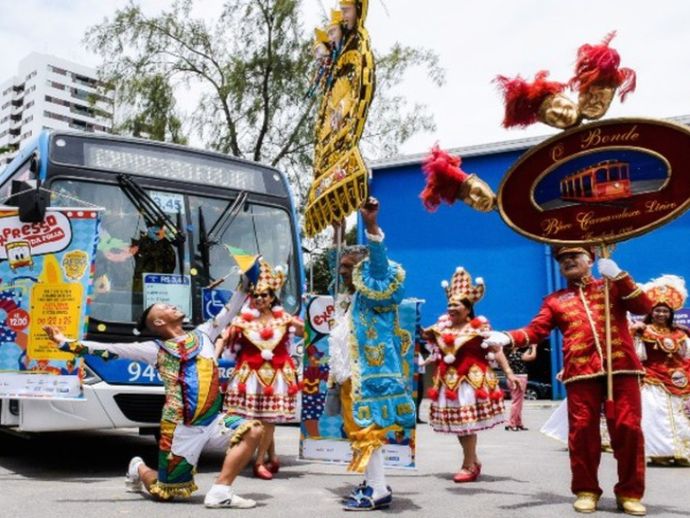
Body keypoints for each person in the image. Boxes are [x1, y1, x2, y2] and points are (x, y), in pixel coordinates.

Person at [43, 282, 261, 509]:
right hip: (180, 428)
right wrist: (66, 343)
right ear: (159, 322)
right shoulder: (155, 349)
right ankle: (138, 467)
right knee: (164, 493)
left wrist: (246, 282)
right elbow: (112, 349)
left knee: (253, 429)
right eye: (166, 306)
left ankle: (220, 491)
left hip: (213, 420)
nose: (173, 305)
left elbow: (230, 308)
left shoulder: (206, 333)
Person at [485, 246, 652, 516]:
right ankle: (586, 490)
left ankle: (630, 492)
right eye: (562, 259)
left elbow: (644, 307)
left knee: (629, 430)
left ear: (591, 260)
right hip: (581, 372)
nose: (568, 261)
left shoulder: (611, 286)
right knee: (582, 432)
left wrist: (619, 275)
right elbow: (536, 330)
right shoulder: (555, 300)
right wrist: (508, 337)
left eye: (574, 256)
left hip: (622, 370)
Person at [327, 197, 416, 511]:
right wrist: (338, 230)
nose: (344, 273)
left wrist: (370, 225)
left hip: (370, 373)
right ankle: (374, 482)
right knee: (359, 430)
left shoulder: (375, 288)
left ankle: (378, 489)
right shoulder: (350, 301)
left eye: (350, 268)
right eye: (342, 269)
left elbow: (379, 264)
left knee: (368, 430)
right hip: (353, 374)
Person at [422, 267, 518, 482]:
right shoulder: (440, 328)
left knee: (466, 426)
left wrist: (509, 373)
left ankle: (468, 465)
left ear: (468, 309)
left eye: (456, 304)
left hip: (471, 383)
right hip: (449, 383)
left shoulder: (478, 329)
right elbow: (426, 340)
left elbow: (496, 349)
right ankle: (472, 461)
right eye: (449, 304)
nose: (450, 308)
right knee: (460, 427)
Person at [216, 260, 304, 480]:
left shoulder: (285, 319)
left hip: (277, 376)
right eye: (255, 295)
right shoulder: (241, 322)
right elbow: (225, 340)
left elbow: (310, 331)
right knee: (260, 419)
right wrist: (215, 355)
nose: (259, 299)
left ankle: (258, 462)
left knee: (269, 419)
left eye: (264, 295)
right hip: (250, 377)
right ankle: (271, 457)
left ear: (272, 297)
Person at [631, 275, 690, 466]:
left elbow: (685, 356)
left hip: (678, 380)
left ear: (671, 313)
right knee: (656, 416)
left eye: (665, 311)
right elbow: (637, 354)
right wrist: (635, 331)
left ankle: (682, 452)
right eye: (657, 310)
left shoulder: (680, 333)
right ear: (651, 312)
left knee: (681, 415)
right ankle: (659, 453)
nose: (661, 314)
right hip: (652, 380)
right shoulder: (643, 330)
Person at [504, 342, 537, 431]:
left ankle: (518, 422)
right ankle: (512, 423)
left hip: (513, 378)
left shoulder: (508, 355)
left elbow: (525, 355)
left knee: (518, 401)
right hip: (520, 378)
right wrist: (534, 347)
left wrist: (529, 348)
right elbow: (532, 357)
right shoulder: (517, 354)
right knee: (517, 402)